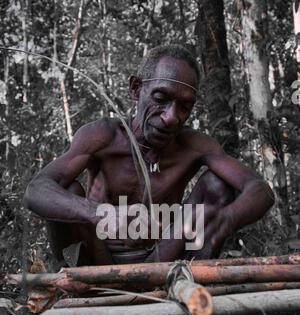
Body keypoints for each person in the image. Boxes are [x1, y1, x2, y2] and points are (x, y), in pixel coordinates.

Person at [24, 44, 274, 267]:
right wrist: (101, 213)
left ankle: (186, 285)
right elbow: (36, 190)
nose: (171, 117)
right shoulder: (103, 136)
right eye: (161, 98)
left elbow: (259, 189)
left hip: (165, 260)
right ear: (136, 89)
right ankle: (79, 287)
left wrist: (225, 221)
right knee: (66, 189)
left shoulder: (195, 145)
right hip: (97, 263)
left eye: (184, 106)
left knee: (218, 185)